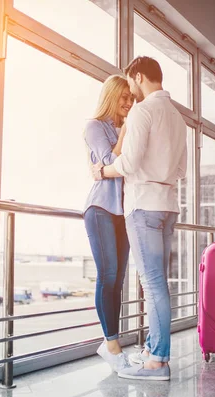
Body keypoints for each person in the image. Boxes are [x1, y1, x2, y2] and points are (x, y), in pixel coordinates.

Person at [91, 56, 187, 381]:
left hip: (143, 204)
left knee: (153, 283)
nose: (130, 92)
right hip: (169, 204)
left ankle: (157, 361)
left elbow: (128, 164)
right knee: (160, 282)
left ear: (139, 76)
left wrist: (102, 171)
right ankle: (151, 349)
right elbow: (182, 170)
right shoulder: (178, 117)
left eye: (131, 83)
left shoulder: (142, 111)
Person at [83, 74, 134, 372]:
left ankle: (112, 344)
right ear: (111, 97)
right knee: (108, 274)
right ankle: (112, 344)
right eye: (123, 97)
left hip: (124, 212)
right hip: (101, 208)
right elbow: (107, 161)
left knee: (119, 280)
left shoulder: (129, 129)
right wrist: (127, 130)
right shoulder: (95, 126)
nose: (128, 102)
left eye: (131, 98)